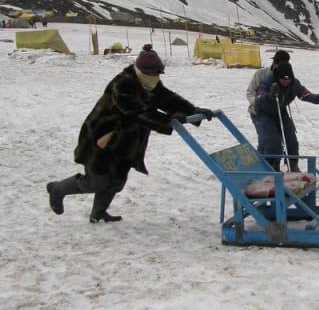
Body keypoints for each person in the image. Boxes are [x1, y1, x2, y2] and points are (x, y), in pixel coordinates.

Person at [46, 44, 214, 223]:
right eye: (152, 73)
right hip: (102, 137)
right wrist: (169, 121)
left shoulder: (150, 83)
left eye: (158, 74)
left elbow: (168, 99)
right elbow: (138, 113)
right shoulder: (123, 84)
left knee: (117, 180)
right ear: (140, 71)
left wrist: (193, 111)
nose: (156, 78)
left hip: (126, 139)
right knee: (97, 180)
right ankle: (58, 189)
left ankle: (99, 213)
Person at [254, 62, 319, 172]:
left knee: (291, 139)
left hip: (280, 111)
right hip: (264, 113)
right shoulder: (268, 81)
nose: (286, 82)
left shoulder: (294, 83)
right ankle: (272, 168)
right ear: (278, 77)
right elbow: (259, 100)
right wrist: (269, 96)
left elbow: (305, 95)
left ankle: (293, 166)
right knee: (273, 143)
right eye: (283, 79)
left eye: (288, 79)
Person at [246, 49, 291, 130]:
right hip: (259, 112)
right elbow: (250, 92)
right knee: (267, 139)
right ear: (274, 62)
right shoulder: (261, 73)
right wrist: (255, 103)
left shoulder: (286, 75)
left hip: (277, 112)